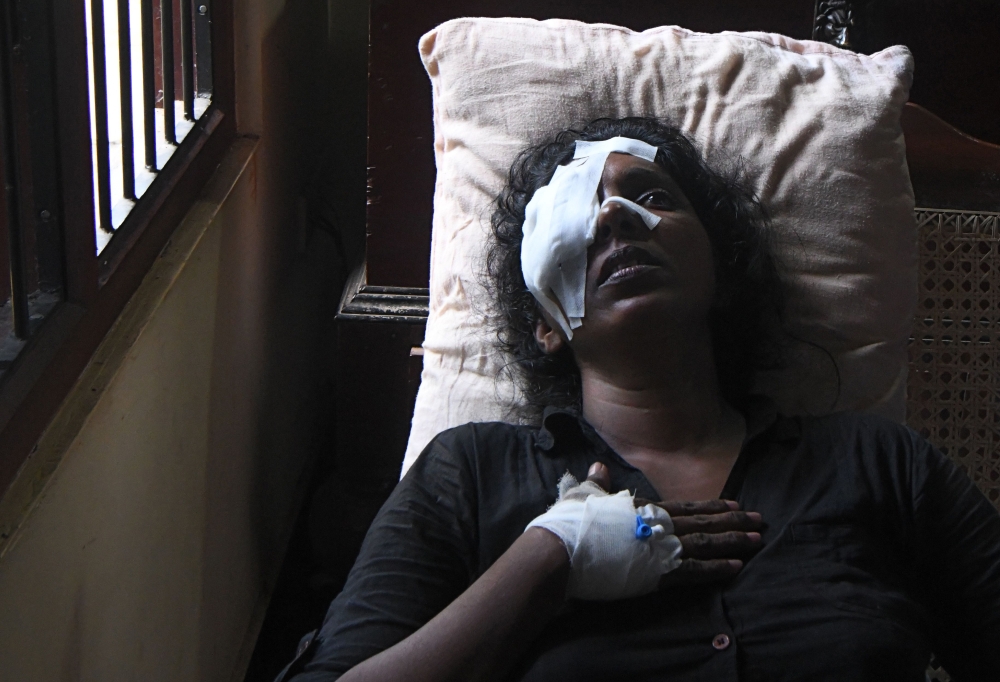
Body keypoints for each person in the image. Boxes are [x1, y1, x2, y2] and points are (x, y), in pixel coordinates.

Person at [278, 118, 1000, 682]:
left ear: (720, 268)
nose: (614, 218)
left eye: (651, 196)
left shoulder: (875, 463)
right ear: (544, 323)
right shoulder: (469, 478)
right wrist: (544, 562)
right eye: (575, 209)